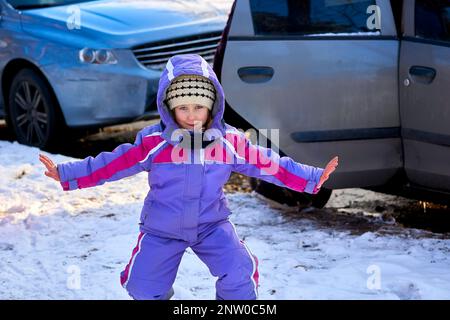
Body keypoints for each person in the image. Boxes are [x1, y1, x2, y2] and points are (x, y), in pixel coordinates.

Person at [39, 54, 338, 300]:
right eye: (183, 108)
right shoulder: (154, 143)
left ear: (212, 107)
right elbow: (113, 164)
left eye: (199, 107)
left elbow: (270, 163)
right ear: (169, 108)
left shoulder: (229, 143)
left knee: (239, 270)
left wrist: (310, 178)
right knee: (143, 286)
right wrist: (68, 174)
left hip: (211, 224)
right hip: (162, 227)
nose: (192, 115)